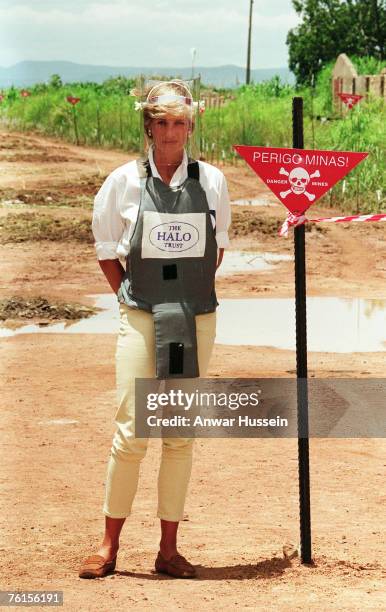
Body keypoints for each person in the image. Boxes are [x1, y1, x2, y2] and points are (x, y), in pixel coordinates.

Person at [78, 80, 231, 579]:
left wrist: (185, 295)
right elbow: (106, 249)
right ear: (149, 125)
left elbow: (217, 247)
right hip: (142, 316)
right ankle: (108, 546)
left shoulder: (213, 183)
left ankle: (168, 551)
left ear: (191, 125)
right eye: (161, 123)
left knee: (180, 433)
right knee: (131, 431)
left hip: (192, 322)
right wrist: (133, 295)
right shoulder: (121, 182)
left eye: (179, 123)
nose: (170, 133)